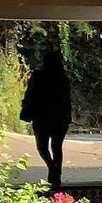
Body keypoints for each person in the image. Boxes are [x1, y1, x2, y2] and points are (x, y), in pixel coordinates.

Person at [20, 37, 71, 191]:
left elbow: (30, 94)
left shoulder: (38, 75)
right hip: (60, 118)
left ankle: (52, 168)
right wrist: (68, 115)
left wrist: (26, 109)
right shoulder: (63, 78)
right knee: (57, 147)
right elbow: (67, 99)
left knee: (42, 147)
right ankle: (56, 175)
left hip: (41, 117)